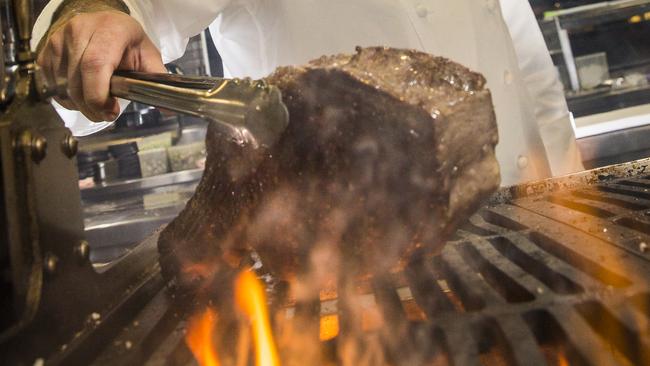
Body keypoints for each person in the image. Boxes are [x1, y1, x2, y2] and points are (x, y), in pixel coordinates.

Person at [32, 0, 583, 186]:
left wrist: (568, 184)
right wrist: (89, 21)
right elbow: (121, 7)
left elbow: (522, 61)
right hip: (355, 278)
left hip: (534, 238)